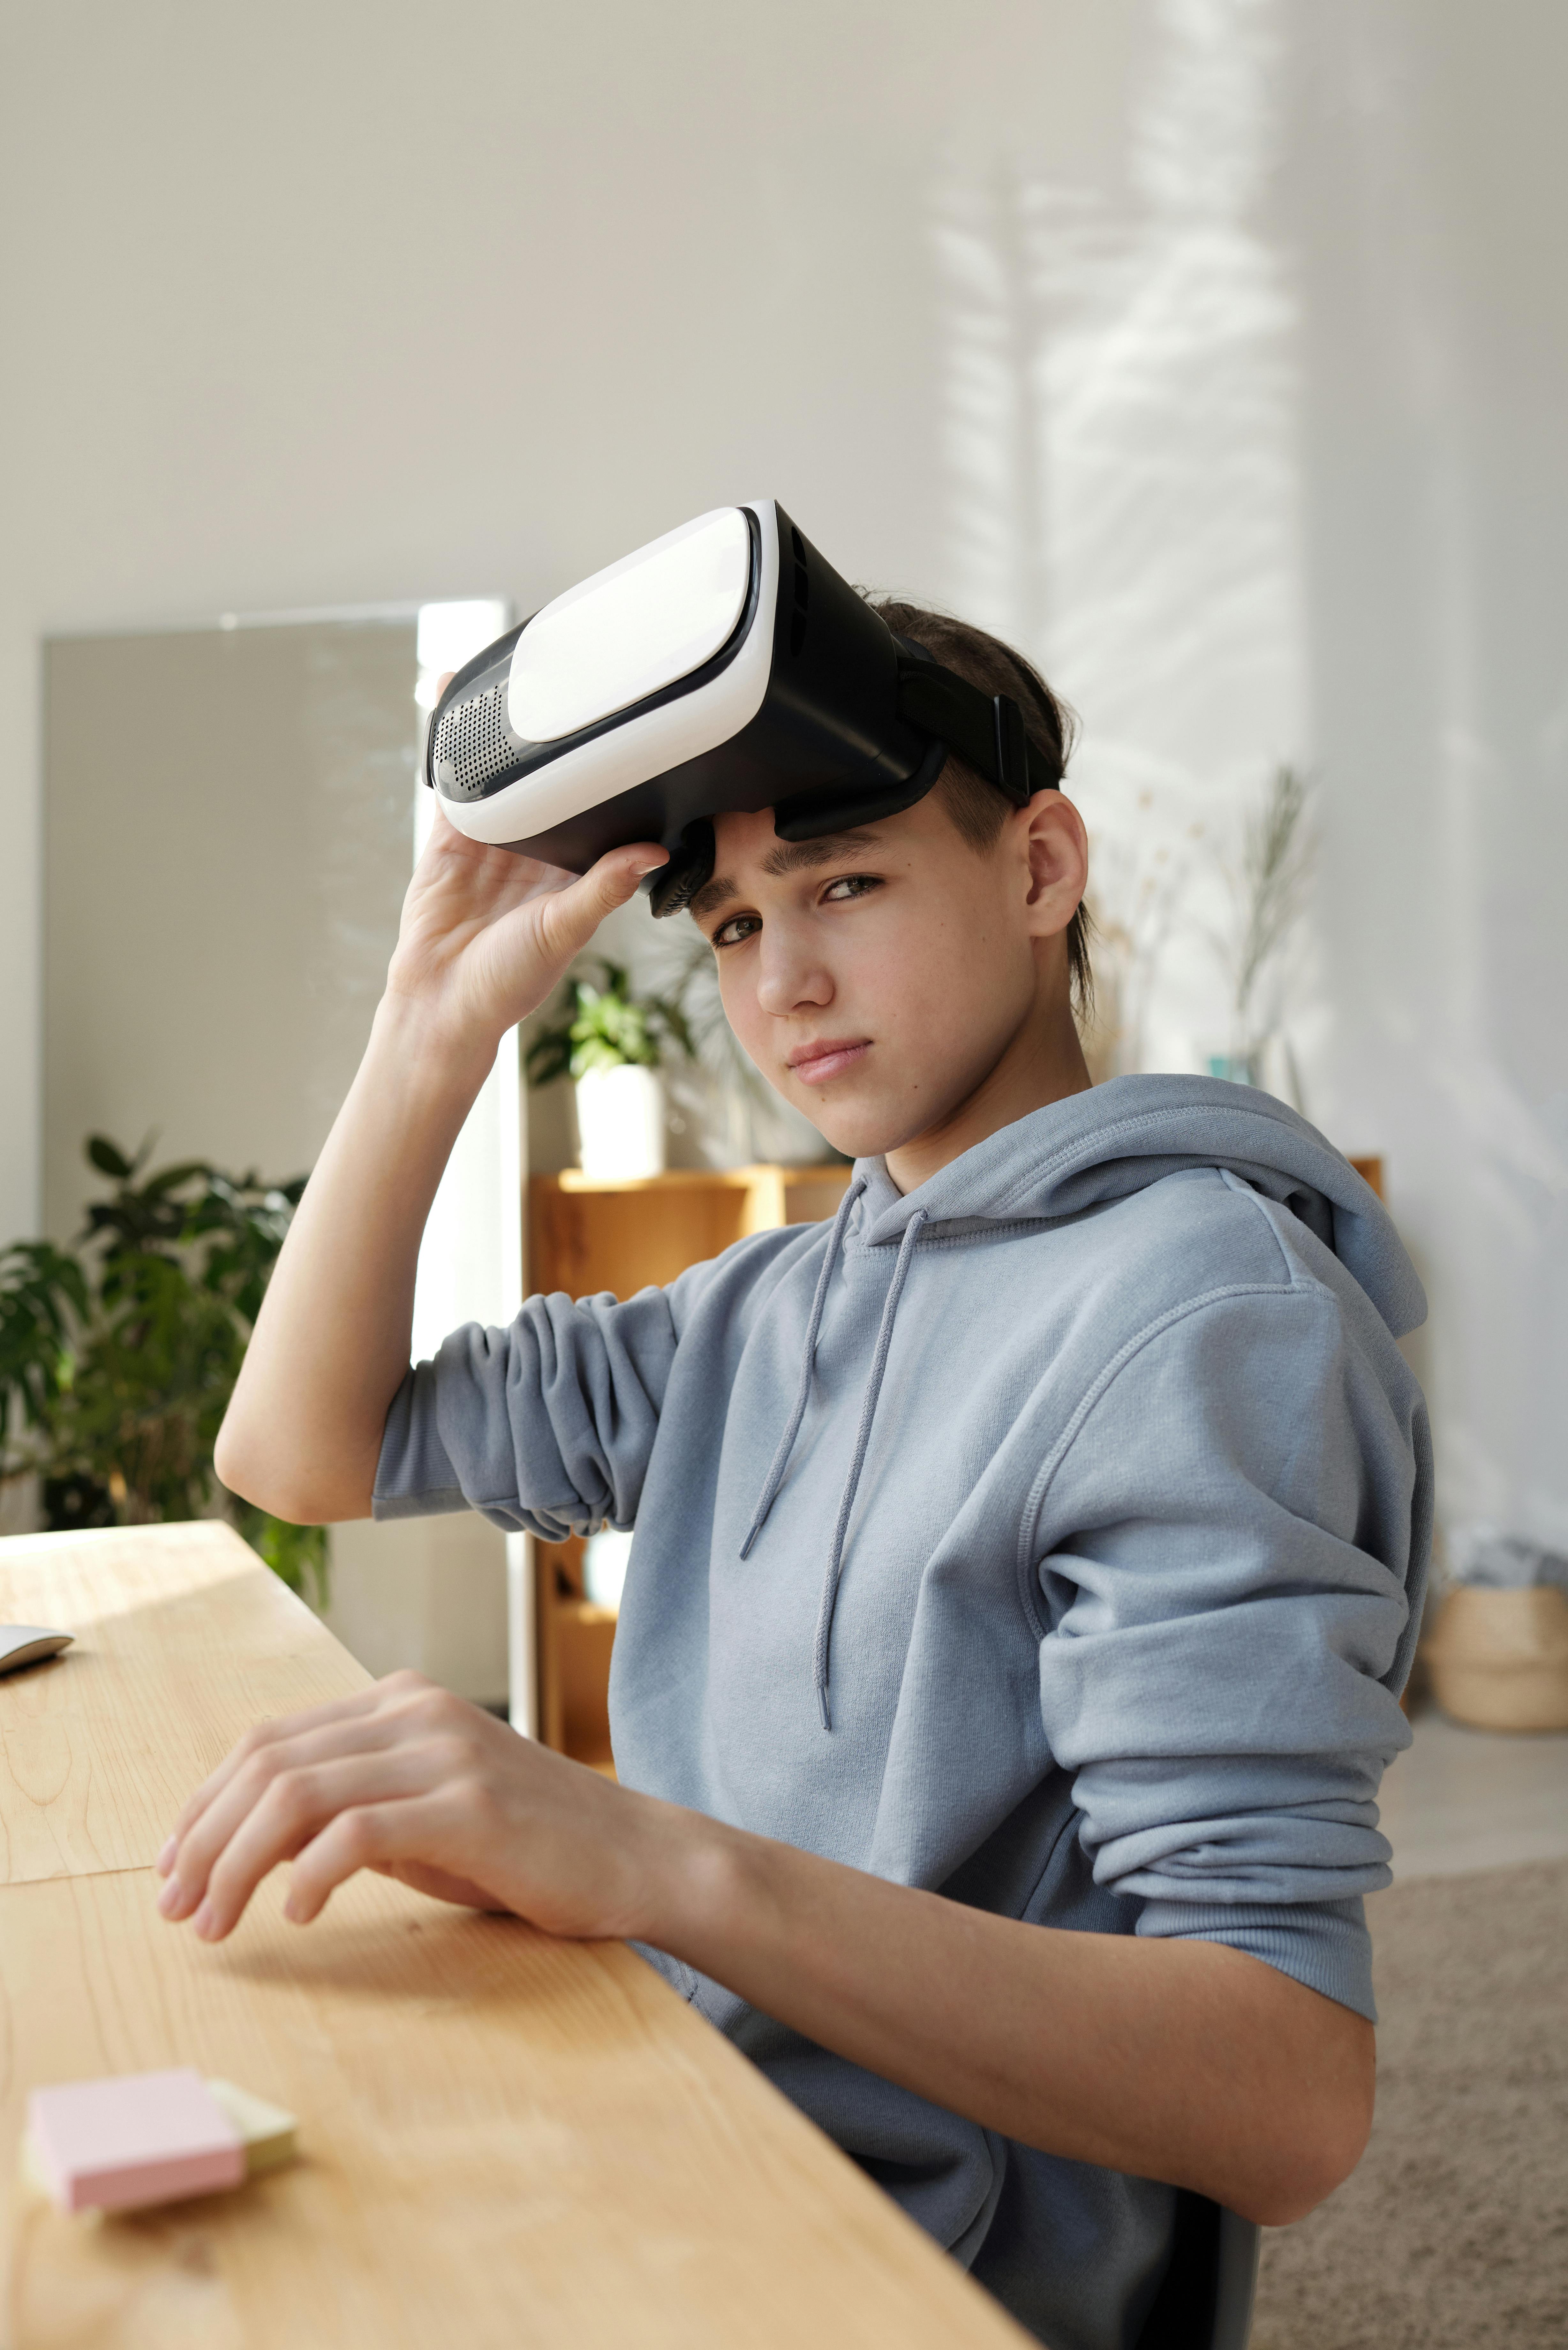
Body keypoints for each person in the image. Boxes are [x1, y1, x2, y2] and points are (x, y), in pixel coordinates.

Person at [162, 602, 1430, 2350]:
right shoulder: (762, 1308)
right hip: (671, 2125)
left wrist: (641, 1856)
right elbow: (298, 1450)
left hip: (900, 2281)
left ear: (1041, 864)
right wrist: (430, 1021)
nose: (784, 985)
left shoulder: (1209, 1316)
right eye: (738, 924)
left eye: (847, 887)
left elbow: (1290, 2097)